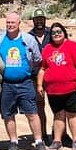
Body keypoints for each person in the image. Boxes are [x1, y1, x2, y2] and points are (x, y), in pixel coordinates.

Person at [0, 11, 47, 150]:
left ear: (19, 23)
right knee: (8, 114)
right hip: (6, 84)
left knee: (32, 113)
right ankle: (13, 142)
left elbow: (37, 59)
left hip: (25, 82)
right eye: (8, 23)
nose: (10, 25)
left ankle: (38, 141)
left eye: (13, 22)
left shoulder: (28, 39)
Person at [38, 22, 76, 150]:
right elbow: (43, 68)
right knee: (58, 115)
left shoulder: (72, 46)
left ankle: (75, 141)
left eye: (59, 31)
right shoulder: (47, 48)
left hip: (70, 88)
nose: (56, 34)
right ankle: (57, 141)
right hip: (53, 90)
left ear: (64, 32)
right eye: (53, 33)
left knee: (72, 114)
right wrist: (39, 85)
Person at [27, 8, 51, 141]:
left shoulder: (52, 33)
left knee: (57, 106)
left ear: (45, 19)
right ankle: (43, 134)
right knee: (39, 105)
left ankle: (61, 135)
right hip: (35, 76)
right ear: (33, 21)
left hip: (53, 74)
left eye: (42, 19)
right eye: (37, 19)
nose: (40, 21)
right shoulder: (28, 37)